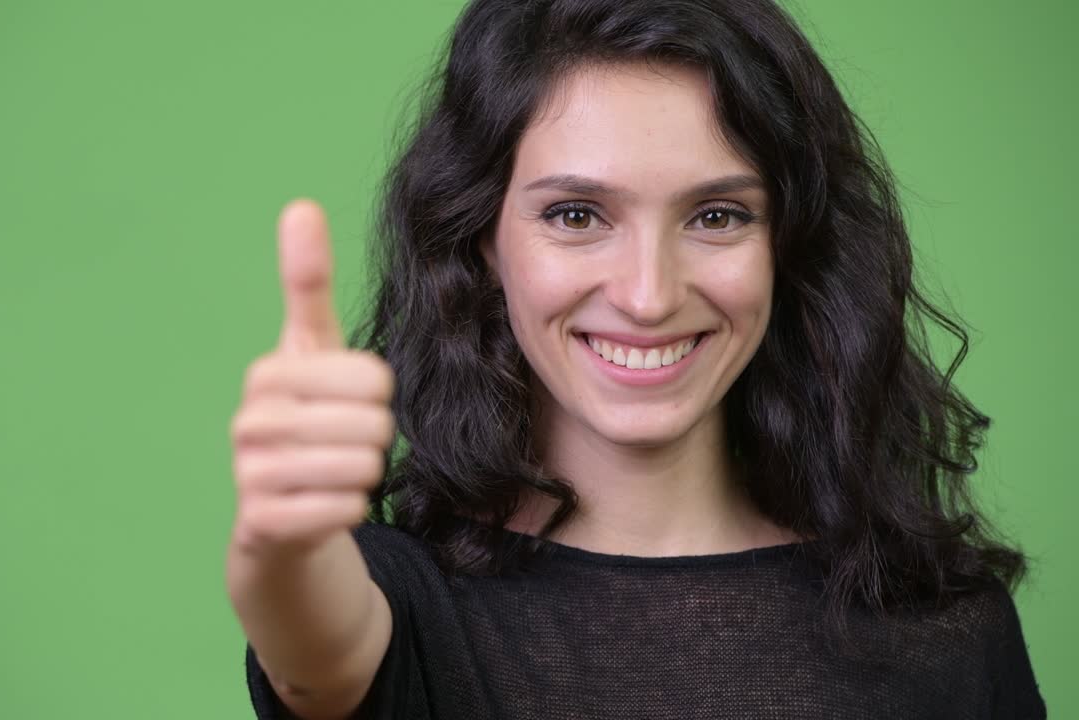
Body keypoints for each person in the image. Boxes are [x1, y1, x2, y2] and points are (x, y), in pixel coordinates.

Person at [226, 0, 1047, 718]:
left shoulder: (945, 629)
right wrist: (282, 543)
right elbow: (313, 653)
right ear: (481, 240)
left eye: (718, 215)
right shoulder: (402, 606)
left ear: (788, 246)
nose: (649, 296)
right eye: (578, 214)